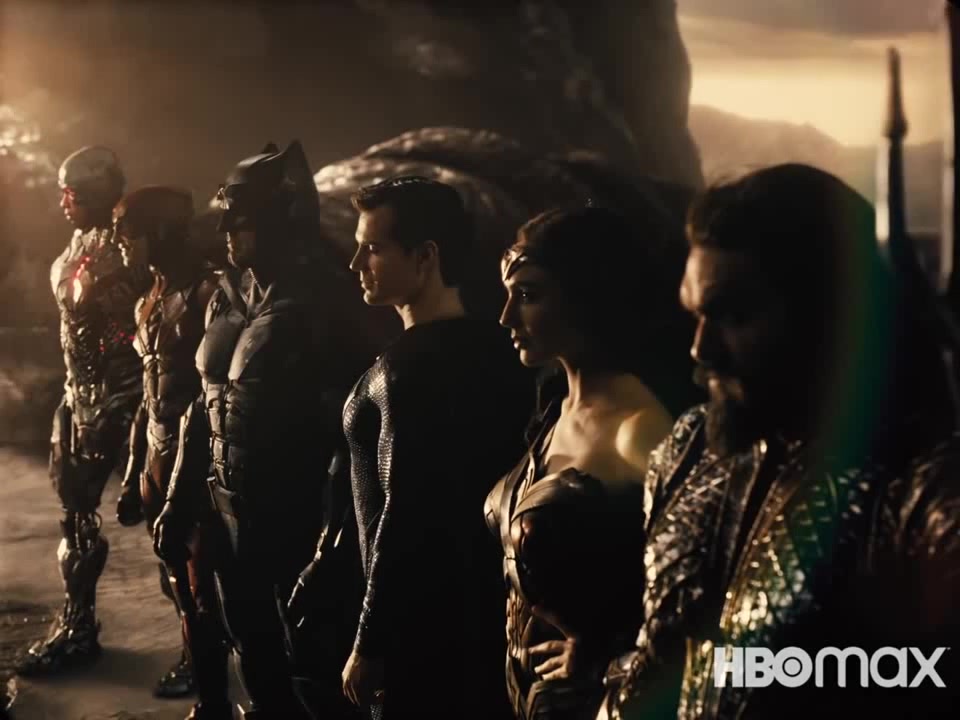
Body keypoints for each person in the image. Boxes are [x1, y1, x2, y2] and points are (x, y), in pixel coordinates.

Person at [599, 164, 960, 720]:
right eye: (695, 314)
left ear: (830, 313)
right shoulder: (689, 449)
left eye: (734, 314)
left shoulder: (915, 486)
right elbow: (661, 655)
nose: (700, 349)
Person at [153, 142, 361, 719]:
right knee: (252, 647)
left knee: (315, 668)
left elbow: (358, 434)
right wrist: (178, 499)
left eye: (240, 219)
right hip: (228, 510)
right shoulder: (225, 295)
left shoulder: (328, 302)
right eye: (225, 216)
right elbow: (202, 407)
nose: (225, 231)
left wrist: (334, 542)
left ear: (281, 220)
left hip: (297, 517)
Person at [340, 176, 534, 719]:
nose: (356, 263)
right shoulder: (500, 352)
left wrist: (369, 641)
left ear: (425, 257)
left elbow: (403, 513)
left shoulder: (403, 373)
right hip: (483, 618)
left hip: (416, 631)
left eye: (373, 248)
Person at [486, 206, 684, 720]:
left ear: (586, 295)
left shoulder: (639, 429)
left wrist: (611, 658)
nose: (506, 316)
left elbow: (700, 593)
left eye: (528, 295)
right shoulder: (556, 412)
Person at [18, 146, 150, 675]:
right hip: (82, 399)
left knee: (172, 524)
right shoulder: (78, 248)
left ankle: (202, 643)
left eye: (71, 193)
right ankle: (78, 628)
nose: (63, 203)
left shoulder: (133, 251)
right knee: (75, 520)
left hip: (134, 400)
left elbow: (148, 327)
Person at [111, 186, 229, 713]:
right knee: (179, 586)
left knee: (208, 595)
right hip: (157, 461)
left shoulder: (209, 294)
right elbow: (148, 397)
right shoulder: (149, 299)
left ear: (159, 230)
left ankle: (218, 703)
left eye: (128, 229)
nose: (119, 239)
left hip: (199, 466)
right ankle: (205, 692)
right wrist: (133, 474)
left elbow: (210, 398)